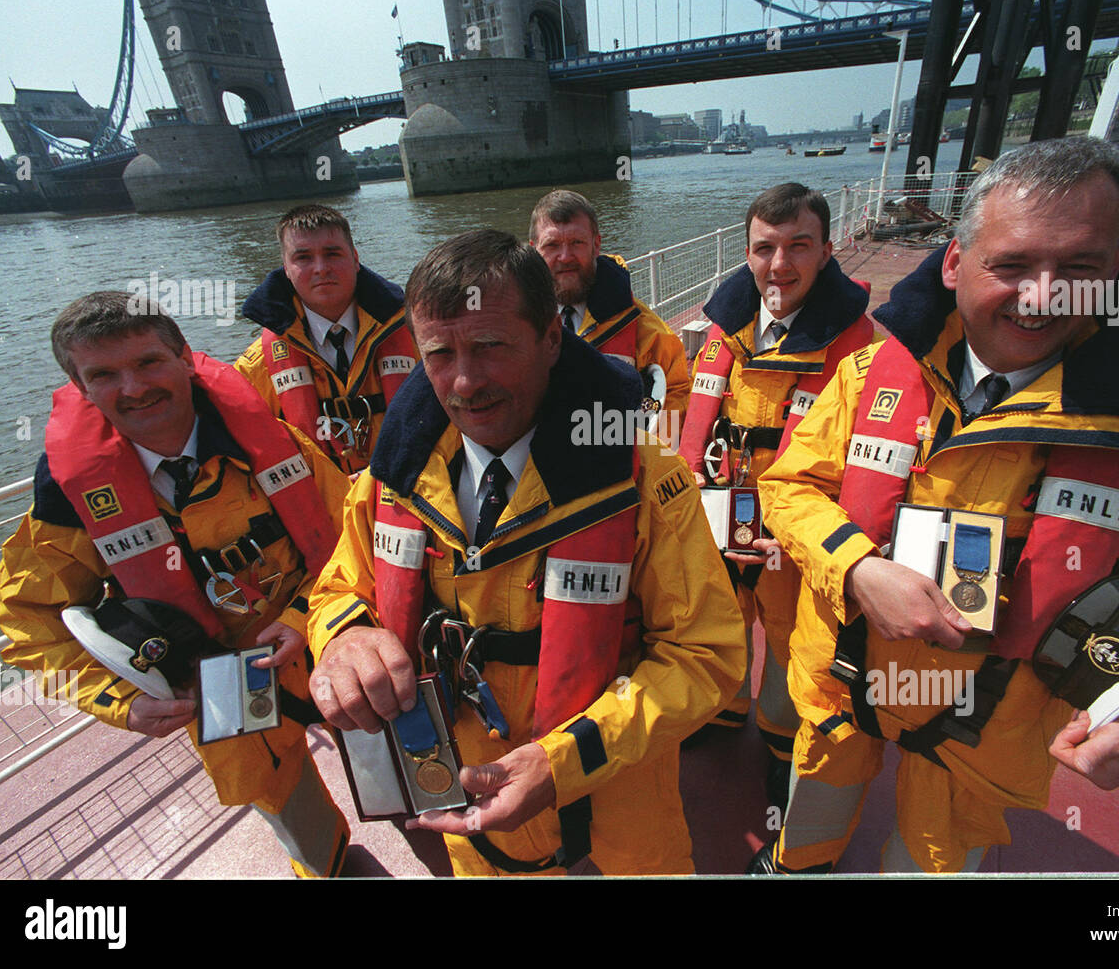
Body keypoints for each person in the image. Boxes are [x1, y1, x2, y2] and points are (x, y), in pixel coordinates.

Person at [755, 136, 1119, 873]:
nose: (1043, 295)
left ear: (1114, 277)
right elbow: (787, 483)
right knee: (812, 814)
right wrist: (858, 568)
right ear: (956, 263)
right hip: (837, 685)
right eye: (1013, 264)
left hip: (979, 735)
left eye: (1081, 269)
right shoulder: (874, 369)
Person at [307, 229, 744, 876]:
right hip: (466, 814)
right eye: (439, 352)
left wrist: (563, 759)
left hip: (618, 817)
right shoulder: (388, 481)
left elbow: (707, 654)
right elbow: (338, 589)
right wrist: (342, 639)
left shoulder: (643, 480)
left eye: (490, 346)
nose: (464, 380)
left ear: (551, 338)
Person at [0, 292, 355, 878]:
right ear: (80, 388)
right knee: (299, 823)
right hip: (219, 693)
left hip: (328, 641)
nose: (134, 388)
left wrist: (304, 618)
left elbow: (356, 540)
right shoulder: (67, 503)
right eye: (104, 375)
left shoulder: (272, 439)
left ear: (186, 358)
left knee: (404, 777)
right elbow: (32, 627)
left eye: (148, 362)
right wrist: (119, 701)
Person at [676, 182, 872, 806]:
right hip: (722, 517)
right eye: (765, 248)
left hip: (796, 531)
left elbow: (870, 460)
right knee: (722, 619)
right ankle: (726, 709)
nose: (779, 265)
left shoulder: (858, 345)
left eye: (798, 247)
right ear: (747, 251)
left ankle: (784, 743)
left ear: (827, 251)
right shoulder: (723, 329)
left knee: (794, 640)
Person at [236, 204, 418, 475]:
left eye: (333, 254)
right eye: (303, 258)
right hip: (321, 503)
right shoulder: (256, 367)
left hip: (403, 494)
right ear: (285, 268)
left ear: (355, 259)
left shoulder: (416, 336)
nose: (321, 268)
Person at [529, 190, 689, 439]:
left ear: (596, 244)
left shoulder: (644, 327)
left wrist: (653, 465)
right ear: (533, 250)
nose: (565, 257)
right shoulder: (515, 322)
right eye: (552, 245)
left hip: (619, 468)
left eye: (577, 243)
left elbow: (676, 393)